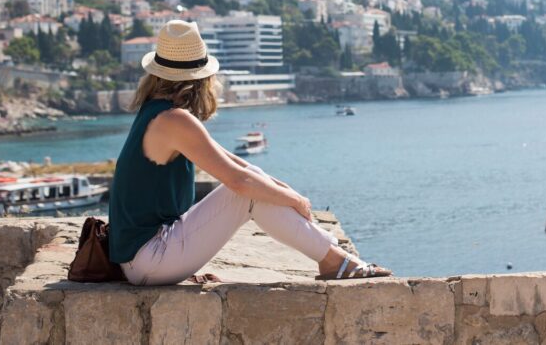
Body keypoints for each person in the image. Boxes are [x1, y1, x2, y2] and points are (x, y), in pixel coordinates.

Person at [108, 21, 392, 286]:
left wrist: (284, 190)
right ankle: (334, 261)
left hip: (142, 257)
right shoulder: (174, 119)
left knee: (255, 180)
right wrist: (295, 199)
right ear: (201, 78)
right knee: (246, 192)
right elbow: (240, 183)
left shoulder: (156, 111)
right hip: (149, 260)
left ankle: (334, 255)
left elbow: (237, 164)